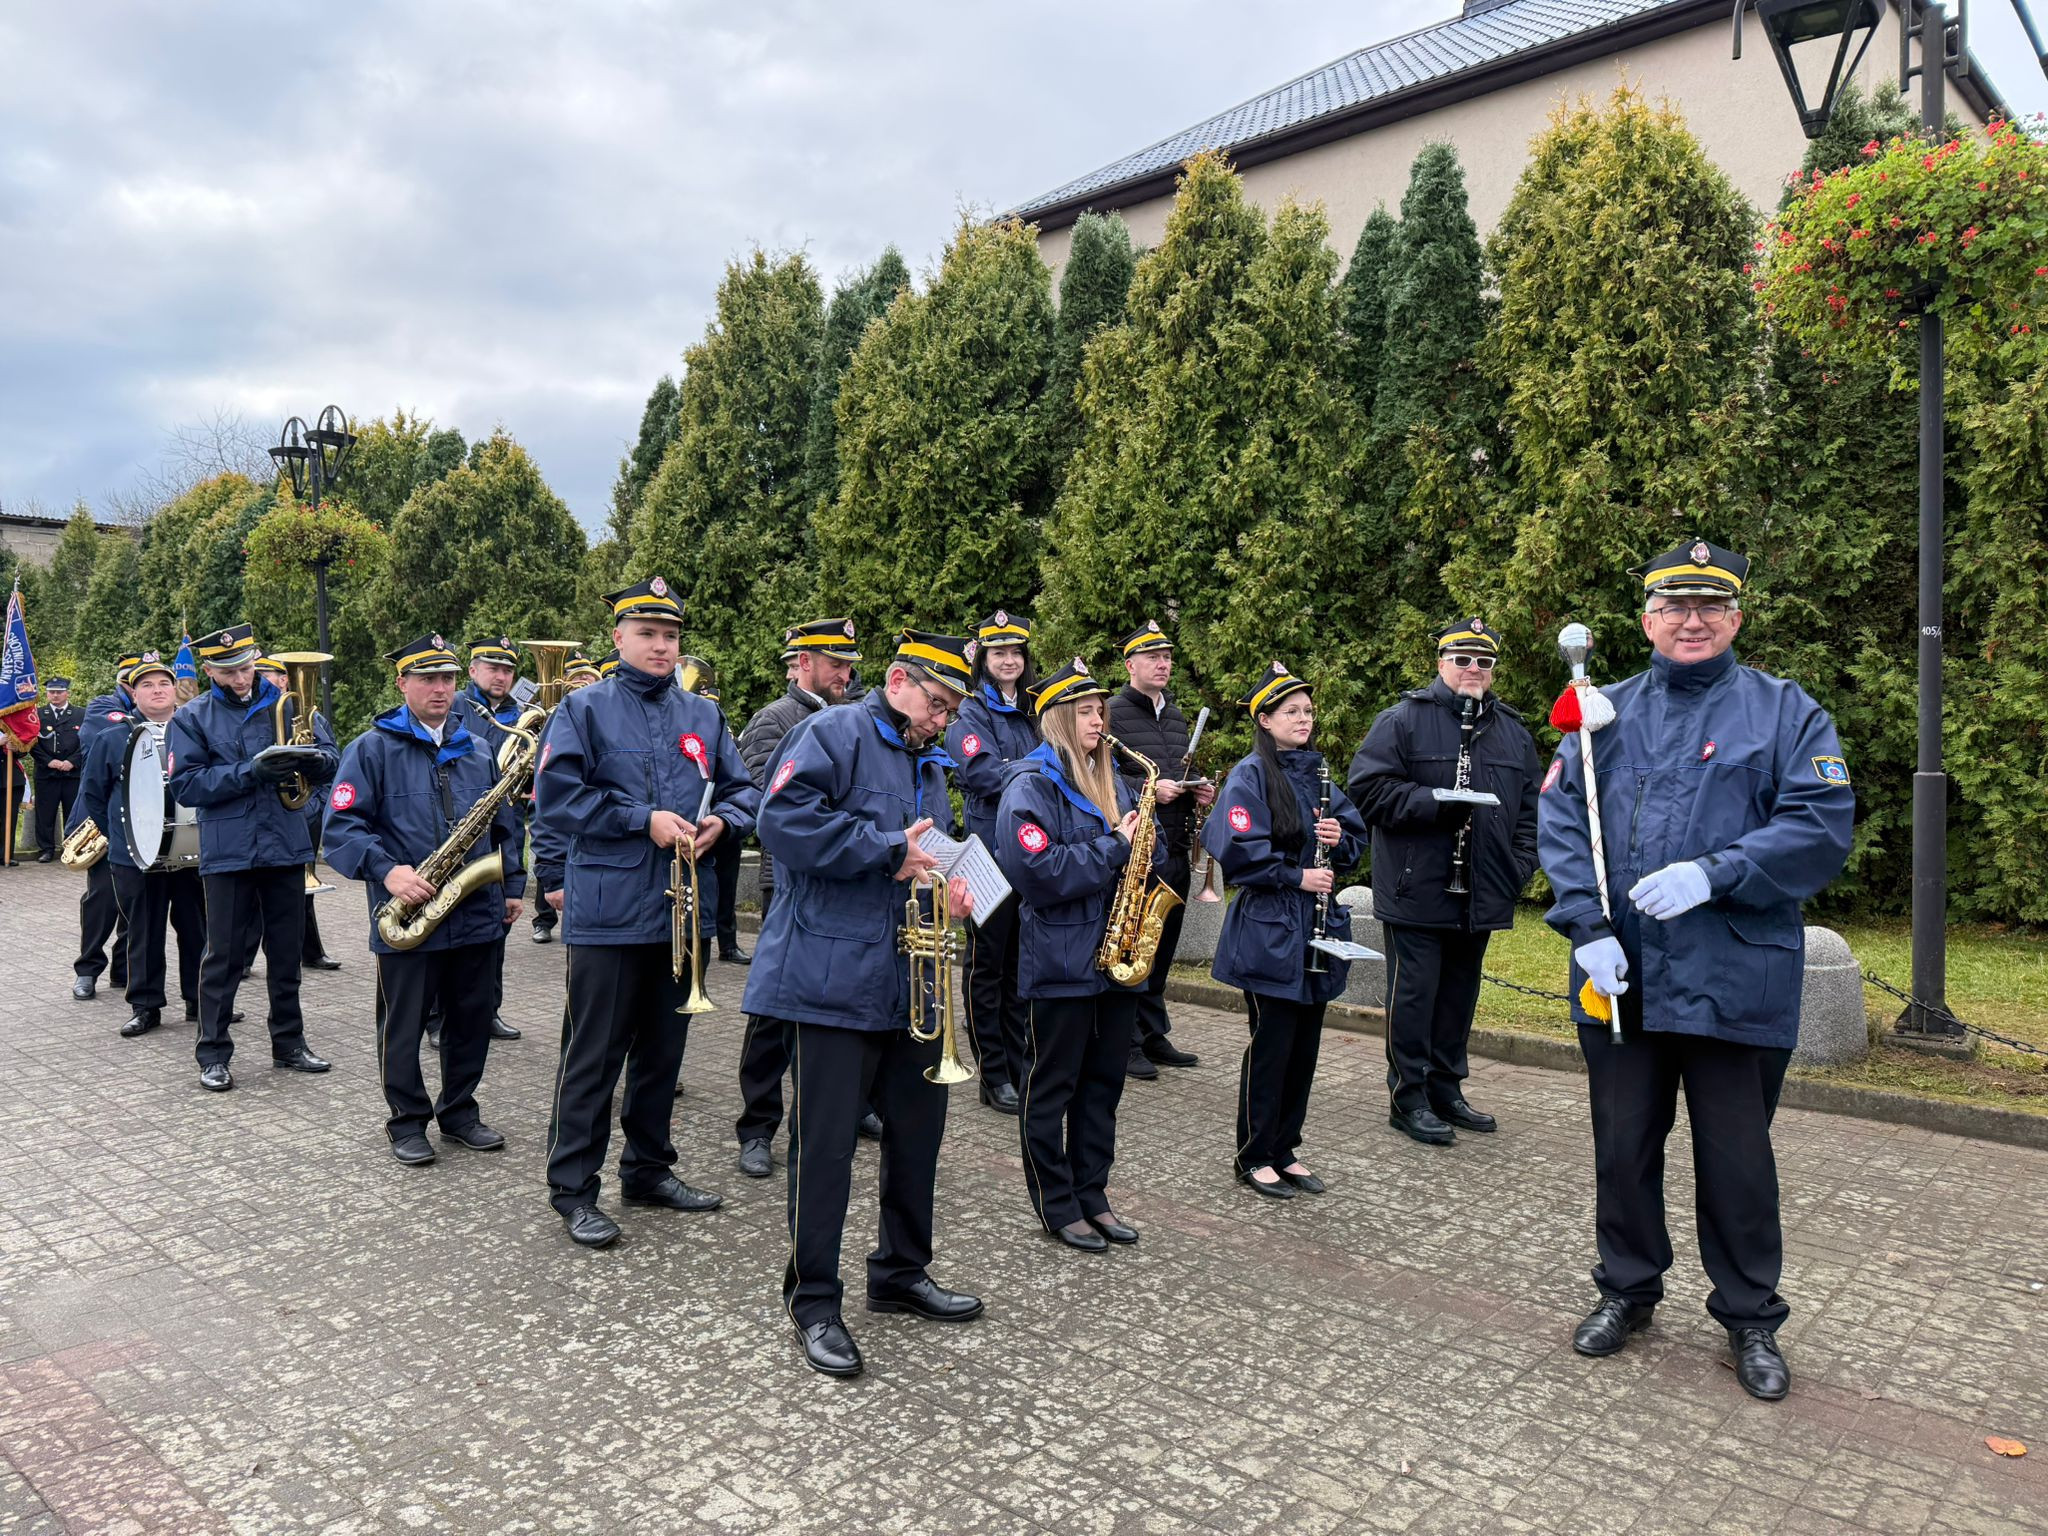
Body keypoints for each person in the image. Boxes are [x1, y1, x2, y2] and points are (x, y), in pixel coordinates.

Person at [1538, 539, 1853, 1402]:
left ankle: (1750, 1315)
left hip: (1735, 974)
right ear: (1646, 620)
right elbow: (1566, 820)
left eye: (1711, 606)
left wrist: (1715, 873)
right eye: (1673, 606)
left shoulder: (1786, 713)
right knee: (1623, 1147)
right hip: (1623, 975)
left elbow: (1820, 824)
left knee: (1738, 1161)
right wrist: (1585, 927)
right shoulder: (1599, 711)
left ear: (1737, 617)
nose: (1692, 620)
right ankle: (1627, 1291)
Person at [742, 629, 984, 1378]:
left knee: (917, 1141)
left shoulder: (927, 757)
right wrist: (886, 849)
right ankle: (813, 1302)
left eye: (950, 711)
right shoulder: (832, 732)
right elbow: (779, 824)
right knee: (826, 1153)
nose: (941, 720)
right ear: (898, 679)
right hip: (831, 980)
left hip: (908, 981)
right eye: (935, 704)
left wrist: (949, 893)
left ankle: (900, 1273)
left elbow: (923, 853)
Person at [533, 579, 758, 1249]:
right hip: (608, 912)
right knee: (593, 1057)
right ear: (619, 639)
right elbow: (558, 799)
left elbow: (746, 790)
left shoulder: (705, 715)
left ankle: (648, 1169)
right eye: (648, 634)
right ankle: (573, 1189)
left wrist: (724, 820)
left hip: (680, 915)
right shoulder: (583, 710)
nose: (661, 646)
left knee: (664, 1054)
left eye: (670, 636)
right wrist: (644, 820)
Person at [325, 634, 526, 1166]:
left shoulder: (479, 749)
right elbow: (341, 828)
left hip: (476, 910)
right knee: (404, 1023)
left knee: (470, 1018)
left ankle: (460, 1113)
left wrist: (512, 886)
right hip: (410, 913)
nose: (440, 689)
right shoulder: (369, 749)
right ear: (402, 684)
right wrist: (387, 872)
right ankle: (407, 1121)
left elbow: (506, 826)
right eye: (427, 679)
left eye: (448, 679)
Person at [1348, 619, 1542, 1145]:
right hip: (1419, 884)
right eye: (1462, 659)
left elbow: (1530, 809)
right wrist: (1436, 805)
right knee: (1414, 996)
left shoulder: (1511, 729)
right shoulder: (1403, 719)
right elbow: (1367, 791)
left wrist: (1518, 866)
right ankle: (1407, 1097)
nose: (1473, 670)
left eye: (1483, 662)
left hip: (1483, 886)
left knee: (1459, 995)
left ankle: (1447, 1089)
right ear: (1441, 663)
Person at [996, 655, 1165, 1253]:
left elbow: (1150, 846)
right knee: (1052, 1085)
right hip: (1063, 960)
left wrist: (1147, 838)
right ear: (1060, 720)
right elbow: (1039, 874)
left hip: (1117, 957)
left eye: (1101, 710)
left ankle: (1094, 1193)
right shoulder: (1029, 786)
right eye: (1088, 712)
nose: (1101, 720)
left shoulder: (1116, 778)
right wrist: (1116, 847)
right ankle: (1056, 1201)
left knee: (1103, 1085)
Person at [1205, 664, 1368, 1199]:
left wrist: (1339, 836)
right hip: (1271, 927)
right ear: (1266, 720)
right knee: (1271, 1044)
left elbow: (1353, 843)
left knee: (1304, 1046)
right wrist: (1298, 875)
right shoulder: (1249, 775)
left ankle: (1285, 1147)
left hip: (1315, 931)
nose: (1304, 719)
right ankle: (1253, 1154)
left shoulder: (1318, 773)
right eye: (1292, 712)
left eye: (1308, 711)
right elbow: (1236, 851)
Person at [168, 623, 338, 1092]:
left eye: (245, 667)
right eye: (228, 671)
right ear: (208, 670)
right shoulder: (193, 717)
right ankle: (213, 1052)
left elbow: (331, 760)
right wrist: (251, 771)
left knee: (285, 953)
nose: (241, 678)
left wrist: (312, 763)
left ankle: (289, 1044)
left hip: (284, 844)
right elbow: (187, 785)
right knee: (222, 955)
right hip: (229, 851)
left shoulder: (291, 705)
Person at [730, 617, 866, 1181]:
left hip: (851, 883)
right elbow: (771, 805)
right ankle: (757, 1126)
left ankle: (846, 1109)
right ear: (803, 662)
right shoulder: (774, 719)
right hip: (791, 886)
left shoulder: (860, 719)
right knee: (776, 1009)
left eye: (849, 663)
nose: (846, 673)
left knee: (841, 1000)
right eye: (835, 663)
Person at [74, 652, 203, 1037]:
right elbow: (93, 794)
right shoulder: (113, 736)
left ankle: (201, 1002)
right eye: (147, 685)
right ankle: (145, 1006)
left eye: (163, 683)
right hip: (135, 856)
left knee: (197, 930)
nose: (157, 690)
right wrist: (126, 838)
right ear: (133, 692)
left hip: (191, 853)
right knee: (143, 932)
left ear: (174, 689)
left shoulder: (195, 731)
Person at [943, 608, 1039, 1115]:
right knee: (987, 965)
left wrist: (1022, 770)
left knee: (1022, 965)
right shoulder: (970, 712)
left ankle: (1021, 1062)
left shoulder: (1035, 709)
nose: (1009, 660)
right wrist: (1035, 770)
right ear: (983, 658)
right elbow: (981, 775)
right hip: (986, 854)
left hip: (1030, 851)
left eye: (1016, 652)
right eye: (999, 652)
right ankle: (992, 1071)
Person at [1107, 620, 1214, 1079]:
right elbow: (1103, 778)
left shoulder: (1175, 715)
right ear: (1131, 664)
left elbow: (1175, 771)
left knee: (1164, 941)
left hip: (1177, 841)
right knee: (1136, 938)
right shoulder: (1111, 711)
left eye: (1167, 657)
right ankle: (1123, 1040)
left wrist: (1195, 790)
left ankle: (1152, 1032)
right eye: (1153, 657)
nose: (1163, 664)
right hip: (1138, 843)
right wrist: (1150, 787)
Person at [448, 637, 525, 1042]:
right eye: (492, 668)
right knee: (446, 934)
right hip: (460, 831)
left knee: (495, 932)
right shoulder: (456, 707)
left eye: (507, 670)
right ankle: (438, 1018)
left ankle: (487, 1011)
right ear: (473, 669)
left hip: (505, 828)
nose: (501, 676)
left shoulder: (520, 713)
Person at [252, 654, 342, 977]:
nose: (265, 681)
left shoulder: (309, 715)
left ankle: (311, 950)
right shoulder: (258, 715)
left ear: (284, 680)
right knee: (262, 890)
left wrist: (314, 806)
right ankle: (248, 958)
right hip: (272, 812)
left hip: (306, 809)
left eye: (270, 676)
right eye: (259, 675)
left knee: (303, 887)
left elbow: (330, 760)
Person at [68, 657, 140, 996]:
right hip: (102, 819)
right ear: (126, 684)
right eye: (137, 681)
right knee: (103, 897)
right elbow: (117, 740)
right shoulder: (103, 708)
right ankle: (88, 970)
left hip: (143, 818)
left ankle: (123, 970)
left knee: (136, 899)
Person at [530, 653, 599, 945]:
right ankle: (543, 919)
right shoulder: (561, 715)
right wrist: (553, 875)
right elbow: (544, 803)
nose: (583, 682)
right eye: (578, 677)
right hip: (560, 824)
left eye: (589, 677)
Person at [683, 667, 749, 967]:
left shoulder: (719, 731)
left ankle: (728, 942)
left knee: (726, 887)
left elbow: (736, 779)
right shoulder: (685, 730)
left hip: (723, 823)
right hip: (691, 826)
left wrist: (728, 818)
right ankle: (700, 938)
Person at [31, 676, 84, 860]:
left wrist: (73, 761)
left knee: (74, 813)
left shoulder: (81, 714)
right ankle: (46, 850)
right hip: (47, 773)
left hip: (72, 773)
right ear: (47, 694)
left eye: (59, 692)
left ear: (67, 693)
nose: (55, 695)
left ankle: (72, 848)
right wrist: (48, 761)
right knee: (45, 814)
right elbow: (31, 742)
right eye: (51, 692)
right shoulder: (36, 715)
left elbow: (86, 741)